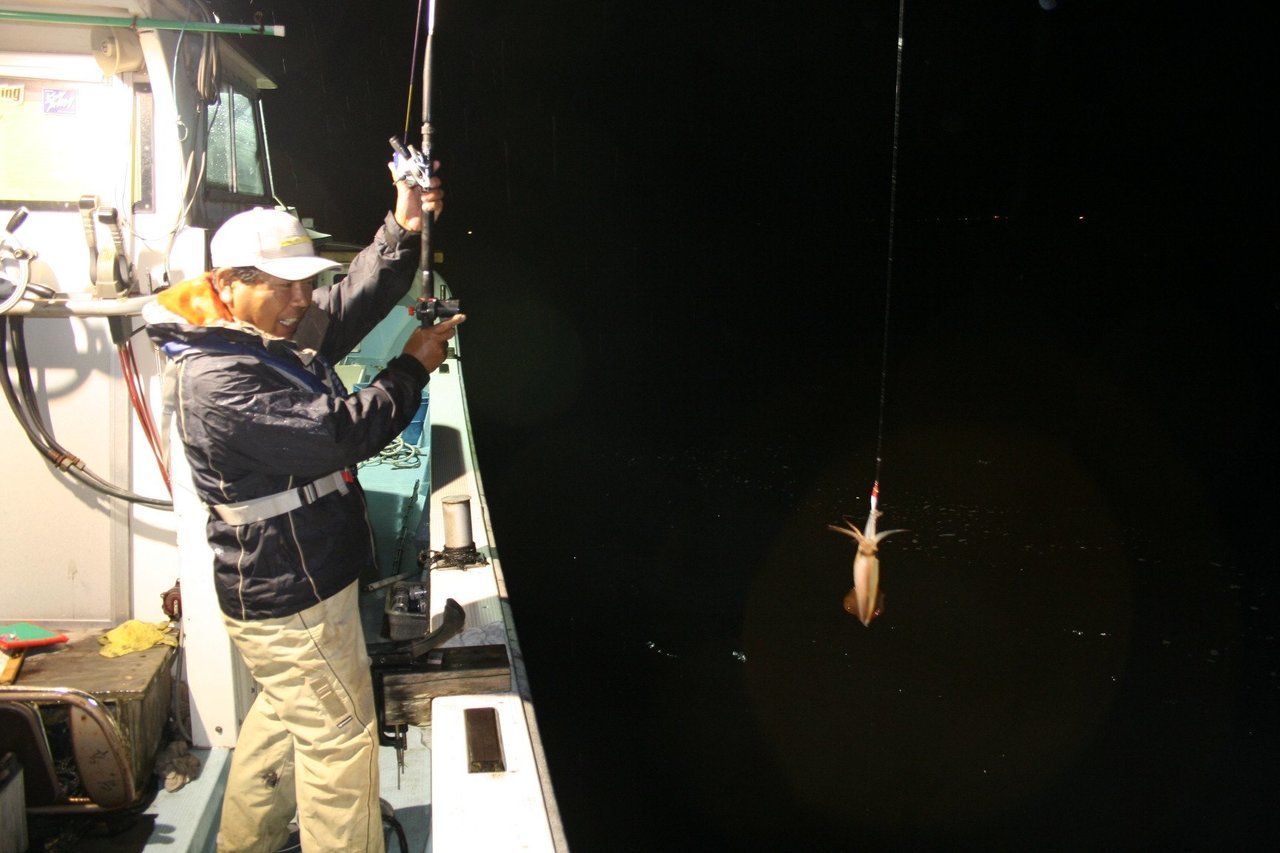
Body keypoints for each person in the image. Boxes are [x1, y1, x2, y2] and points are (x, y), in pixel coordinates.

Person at [144, 170, 460, 852]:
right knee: (340, 739)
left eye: (305, 280)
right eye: (282, 284)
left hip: (292, 583)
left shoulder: (248, 335)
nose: (301, 299)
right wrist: (409, 368)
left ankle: (243, 842)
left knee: (290, 718)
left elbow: (346, 305)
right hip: (293, 592)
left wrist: (402, 228)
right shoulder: (218, 376)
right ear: (229, 282)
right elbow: (337, 433)